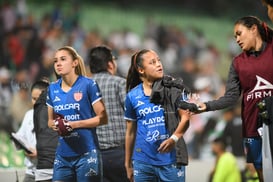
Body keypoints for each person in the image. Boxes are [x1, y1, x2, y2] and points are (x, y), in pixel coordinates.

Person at [197, 16, 273, 182]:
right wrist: (206, 105)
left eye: (239, 34)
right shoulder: (238, 63)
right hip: (252, 127)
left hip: (271, 123)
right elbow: (231, 97)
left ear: (254, 29)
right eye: (235, 37)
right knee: (263, 177)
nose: (237, 39)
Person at [124, 49, 191, 182]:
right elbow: (130, 132)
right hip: (142, 162)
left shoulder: (174, 88)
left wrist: (173, 139)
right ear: (141, 70)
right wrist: (127, 163)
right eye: (152, 62)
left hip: (171, 160)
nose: (159, 64)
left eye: (159, 60)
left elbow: (186, 118)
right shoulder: (132, 96)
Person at [46, 46, 108, 182]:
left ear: (74, 63)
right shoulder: (52, 88)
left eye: (63, 59)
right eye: (55, 61)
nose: (58, 63)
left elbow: (103, 118)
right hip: (63, 155)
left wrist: (74, 124)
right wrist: (55, 125)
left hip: (87, 153)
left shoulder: (89, 84)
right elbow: (50, 121)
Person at [88, 46, 129, 182]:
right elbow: (133, 116)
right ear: (110, 64)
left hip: (92, 155)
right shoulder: (119, 83)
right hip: (119, 154)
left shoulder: (84, 86)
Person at [13, 79, 50, 182]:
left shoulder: (53, 116)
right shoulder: (29, 114)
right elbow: (21, 136)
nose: (36, 102)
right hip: (30, 171)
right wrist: (21, 145)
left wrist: (39, 153)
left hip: (47, 172)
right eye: (33, 99)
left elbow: (57, 144)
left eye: (39, 99)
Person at [33, 78, 58, 182]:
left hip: (50, 166)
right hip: (48, 166)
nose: (34, 101)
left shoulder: (40, 107)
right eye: (33, 98)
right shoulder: (36, 111)